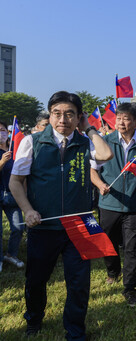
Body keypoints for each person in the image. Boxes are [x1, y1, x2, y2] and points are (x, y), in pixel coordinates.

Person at [9, 91, 113, 339]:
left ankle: (75, 331)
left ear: (79, 118)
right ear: (50, 115)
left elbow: (106, 154)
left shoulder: (84, 143)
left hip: (79, 224)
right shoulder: (32, 142)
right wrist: (28, 209)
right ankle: (34, 319)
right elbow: (15, 182)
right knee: (36, 281)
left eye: (69, 114)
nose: (62, 120)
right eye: (57, 113)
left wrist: (89, 130)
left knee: (79, 284)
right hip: (44, 226)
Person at [90, 102, 136, 307]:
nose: (121, 122)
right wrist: (100, 185)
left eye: (126, 118)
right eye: (118, 118)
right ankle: (113, 271)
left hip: (134, 203)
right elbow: (92, 170)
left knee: (132, 246)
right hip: (109, 201)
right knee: (107, 242)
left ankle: (130, 287)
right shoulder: (105, 141)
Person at [0, 121, 24, 272]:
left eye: (2, 129)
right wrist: (2, 162)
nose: (1, 133)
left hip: (12, 194)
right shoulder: (5, 156)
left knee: (18, 227)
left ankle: (11, 254)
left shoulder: (15, 150)